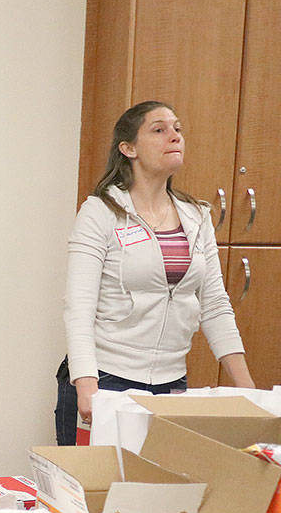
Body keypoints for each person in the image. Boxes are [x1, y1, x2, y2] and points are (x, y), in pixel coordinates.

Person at [57, 100, 254, 446]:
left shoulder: (196, 215)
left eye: (177, 129)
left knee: (162, 495)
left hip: (171, 384)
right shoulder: (101, 212)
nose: (174, 136)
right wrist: (87, 384)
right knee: (97, 494)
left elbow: (215, 305)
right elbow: (79, 308)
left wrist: (248, 389)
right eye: (159, 130)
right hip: (107, 378)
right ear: (128, 148)